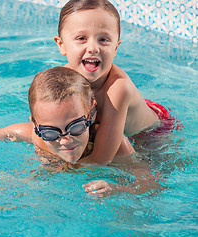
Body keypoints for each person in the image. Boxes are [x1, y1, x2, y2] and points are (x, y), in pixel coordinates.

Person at [0, 67, 138, 197]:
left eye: (76, 127)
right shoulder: (32, 135)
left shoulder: (115, 146)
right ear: (35, 124)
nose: (64, 140)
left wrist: (117, 188)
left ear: (91, 113)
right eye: (51, 132)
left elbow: (151, 182)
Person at [53, 0, 178, 165]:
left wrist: (62, 170)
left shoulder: (118, 89)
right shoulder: (60, 79)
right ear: (62, 45)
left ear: (116, 48)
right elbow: (43, 125)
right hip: (117, 116)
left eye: (103, 40)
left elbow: (101, 159)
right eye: (81, 38)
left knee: (151, 169)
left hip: (151, 132)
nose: (93, 48)